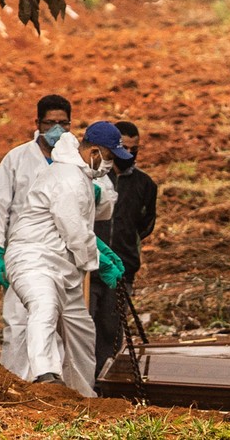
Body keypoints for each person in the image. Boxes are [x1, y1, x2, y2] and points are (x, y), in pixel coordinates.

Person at [4, 122, 131, 397]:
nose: (109, 165)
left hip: (62, 263)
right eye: (109, 158)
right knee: (44, 306)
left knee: (81, 329)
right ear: (95, 151)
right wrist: (99, 261)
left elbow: (74, 227)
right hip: (33, 258)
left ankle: (81, 394)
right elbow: (74, 231)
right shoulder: (68, 178)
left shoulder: (81, 175)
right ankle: (44, 376)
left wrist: (98, 250)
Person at [90, 121, 158, 380]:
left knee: (112, 330)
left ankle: (105, 381)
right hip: (89, 267)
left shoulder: (145, 185)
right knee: (84, 326)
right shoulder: (96, 179)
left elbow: (146, 225)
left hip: (122, 269)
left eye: (135, 149)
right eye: (124, 148)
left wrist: (125, 250)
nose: (129, 154)